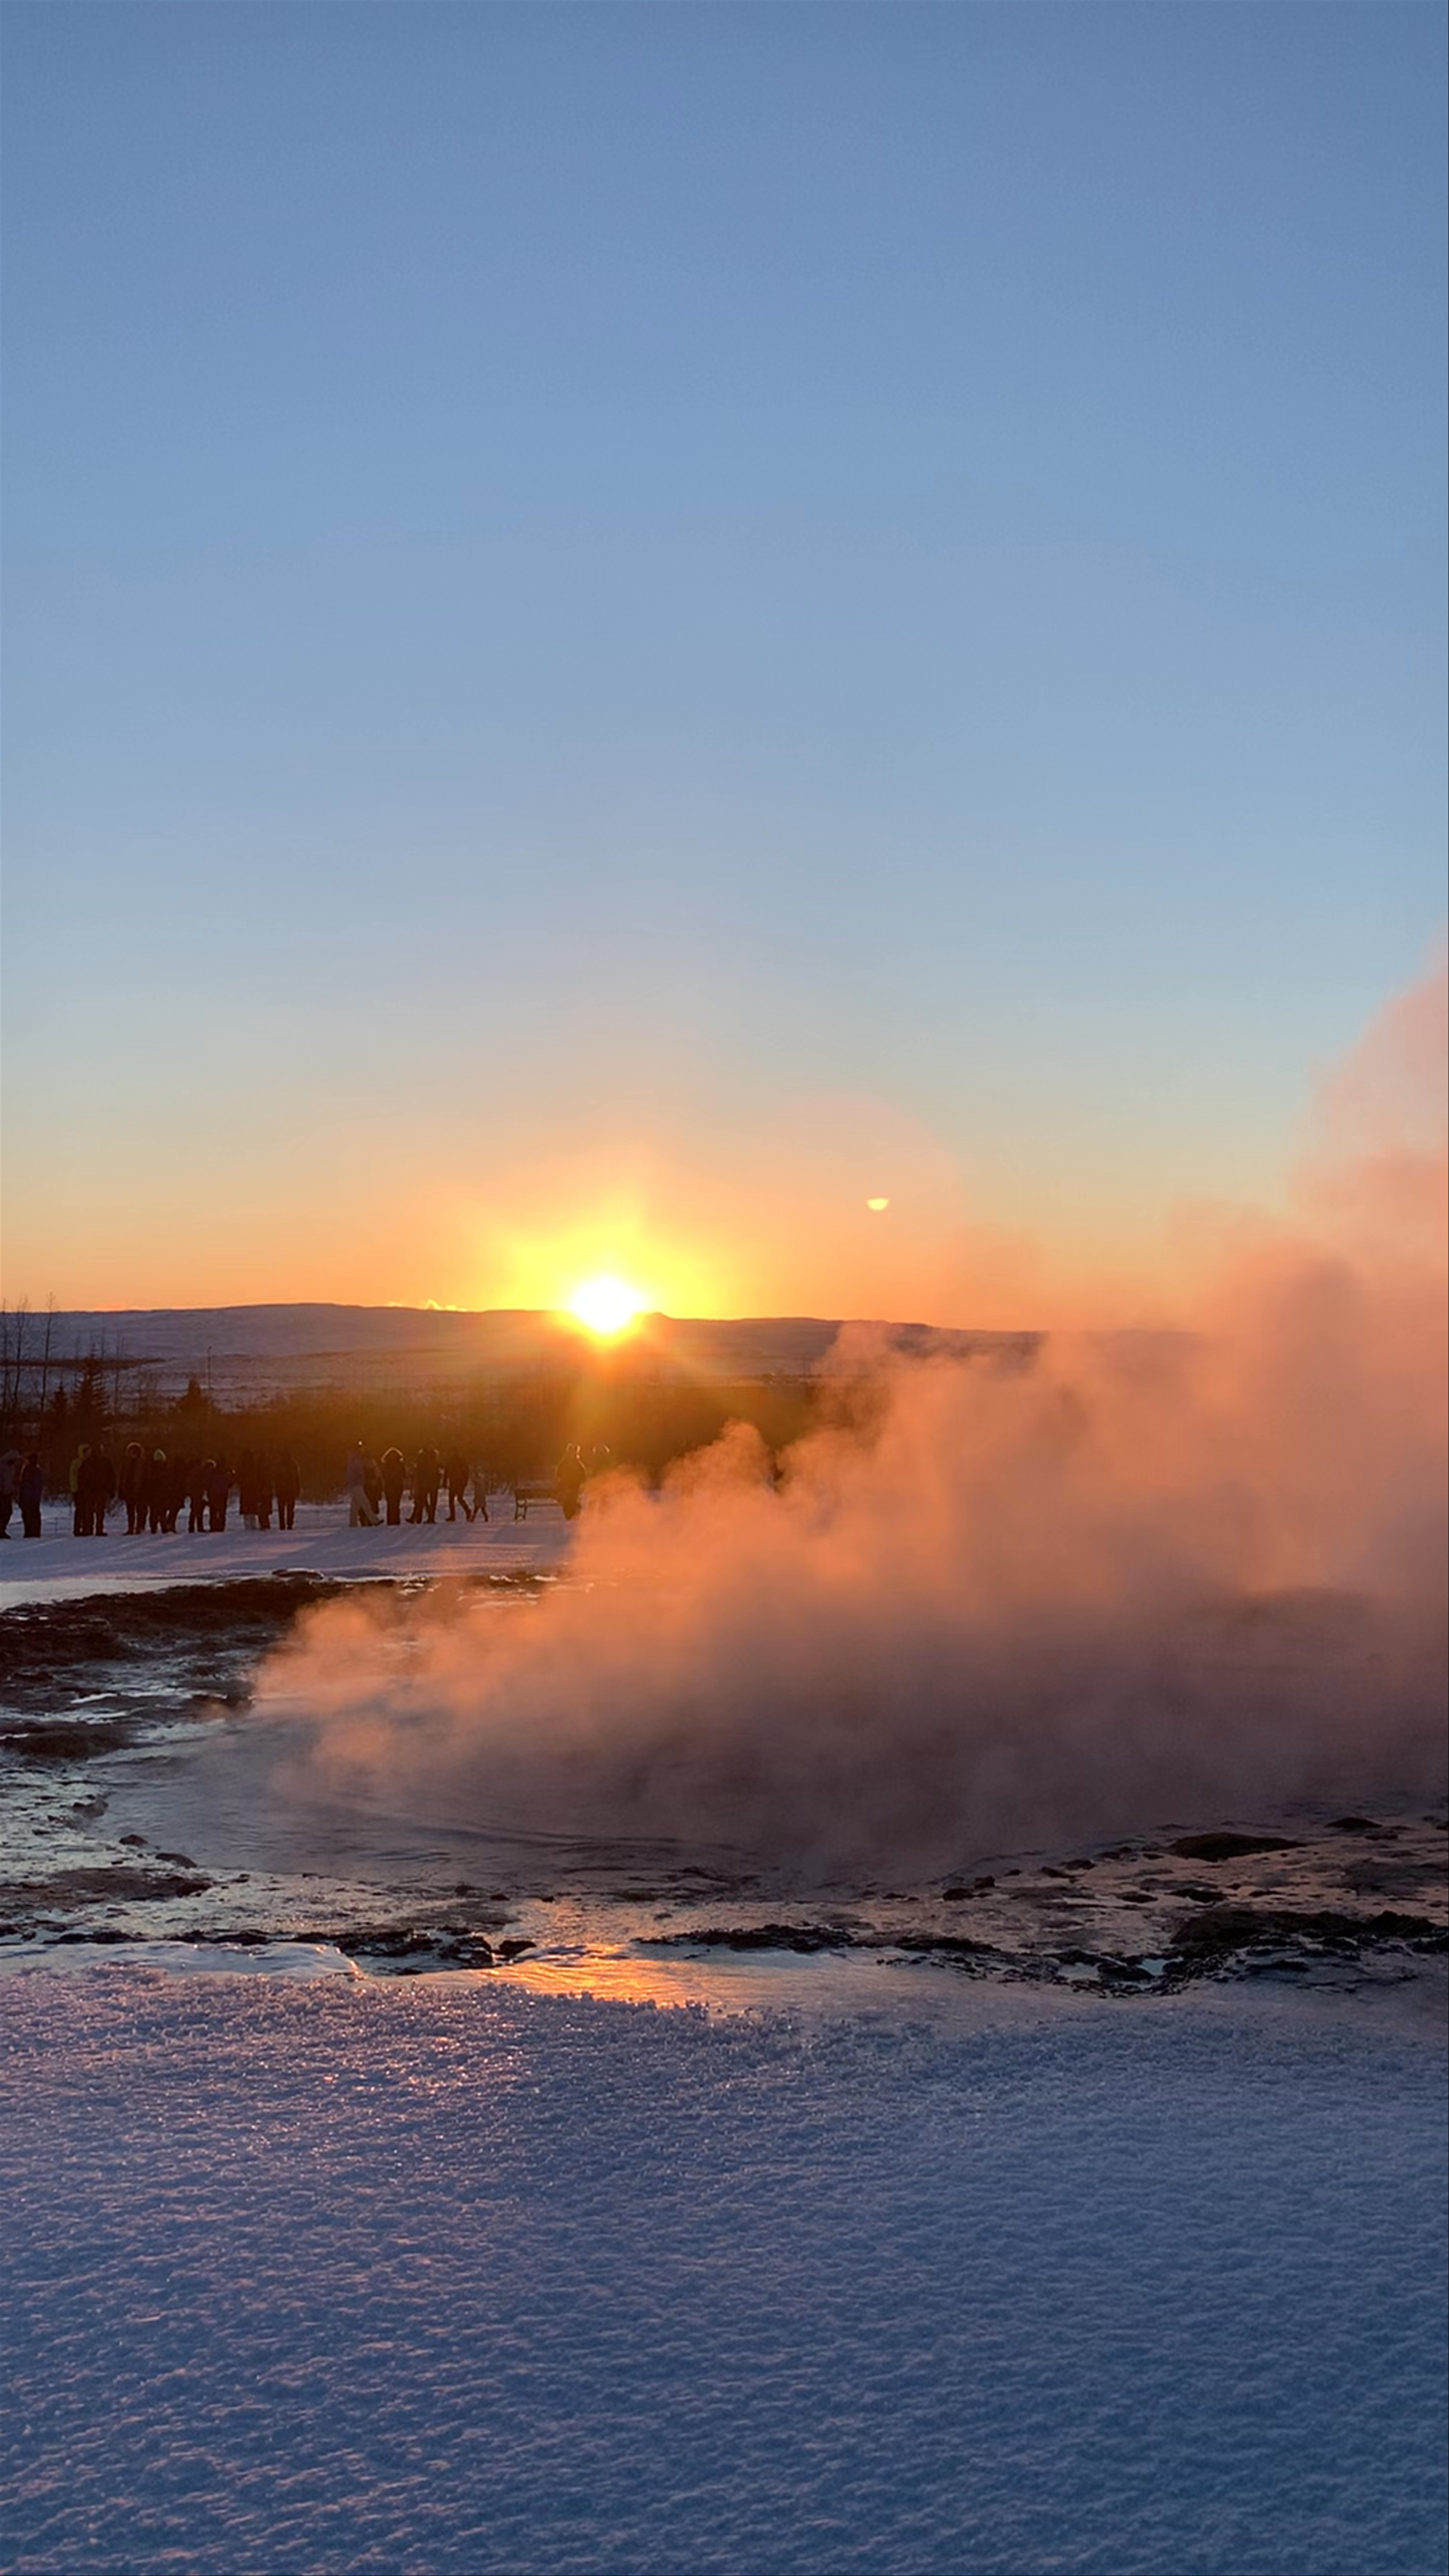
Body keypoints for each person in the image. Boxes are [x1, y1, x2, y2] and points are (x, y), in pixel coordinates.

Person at [118, 1441, 147, 1534]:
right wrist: (121, 1490)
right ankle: (131, 1528)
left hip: (140, 1490)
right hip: (129, 1490)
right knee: (130, 1511)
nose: (133, 1454)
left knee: (140, 1510)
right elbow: (123, 1477)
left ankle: (140, 1527)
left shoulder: (143, 1463)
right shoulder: (126, 1463)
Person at [346, 1444, 377, 1527]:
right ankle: (375, 1520)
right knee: (365, 1503)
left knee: (355, 1506)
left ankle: (353, 1523)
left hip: (353, 1484)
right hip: (357, 1484)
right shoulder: (357, 1460)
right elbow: (360, 1470)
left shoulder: (352, 1459)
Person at [409, 1443, 441, 1524]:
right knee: (422, 1500)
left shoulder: (434, 1456)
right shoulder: (423, 1456)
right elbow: (420, 1469)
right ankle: (416, 1517)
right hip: (426, 1481)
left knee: (431, 1501)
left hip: (432, 1481)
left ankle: (430, 1518)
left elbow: (438, 1468)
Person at [554, 1444, 587, 1520]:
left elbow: (583, 1473)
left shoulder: (577, 1463)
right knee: (569, 1501)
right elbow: (559, 1472)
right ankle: (571, 1514)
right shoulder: (566, 1463)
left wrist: (580, 1480)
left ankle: (574, 1513)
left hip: (574, 1485)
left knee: (572, 1500)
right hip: (567, 1486)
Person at [17, 1453, 44, 1538]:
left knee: (33, 1516)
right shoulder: (27, 1470)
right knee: (29, 1516)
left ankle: (35, 1533)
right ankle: (30, 1533)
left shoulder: (36, 1471)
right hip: (28, 1498)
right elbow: (24, 1486)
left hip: (33, 1498)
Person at [275, 1452, 301, 1531]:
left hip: (281, 1489)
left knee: (281, 1509)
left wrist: (276, 1489)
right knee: (290, 1508)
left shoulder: (279, 1466)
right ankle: (290, 1524)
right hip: (291, 1489)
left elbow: (276, 1479)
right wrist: (298, 1488)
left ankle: (282, 1524)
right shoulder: (294, 1465)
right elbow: (297, 1478)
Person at [204, 1457, 232, 1531]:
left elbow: (207, 1483)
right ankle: (221, 1526)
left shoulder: (211, 1473)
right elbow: (230, 1484)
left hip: (213, 1494)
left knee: (213, 1511)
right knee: (222, 1512)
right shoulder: (226, 1473)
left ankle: (213, 1526)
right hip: (223, 1495)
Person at [444, 1449, 472, 1523]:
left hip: (457, 1483)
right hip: (457, 1482)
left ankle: (456, 1515)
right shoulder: (460, 1461)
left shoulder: (456, 1462)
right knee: (457, 1499)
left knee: (454, 1499)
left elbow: (447, 1472)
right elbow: (447, 1472)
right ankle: (465, 1512)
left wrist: (445, 1481)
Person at [380, 1447, 406, 1525]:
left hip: (392, 1486)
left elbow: (384, 1475)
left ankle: (392, 1521)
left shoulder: (386, 1465)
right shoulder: (399, 1465)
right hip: (395, 1486)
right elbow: (404, 1475)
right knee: (395, 1505)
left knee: (392, 1504)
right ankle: (395, 1520)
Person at [0, 1449, 20, 1539]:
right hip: (1, 1494)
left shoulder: (12, 1467)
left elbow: (11, 1481)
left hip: (8, 1494)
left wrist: (13, 1490)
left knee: (8, 1512)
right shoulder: (2, 1466)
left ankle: (2, 1529)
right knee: (3, 1512)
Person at [470, 1460, 490, 1524]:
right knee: (481, 1508)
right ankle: (485, 1518)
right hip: (480, 1495)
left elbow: (474, 1479)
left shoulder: (480, 1480)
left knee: (479, 1508)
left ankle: (474, 1518)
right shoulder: (482, 1480)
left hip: (480, 1495)